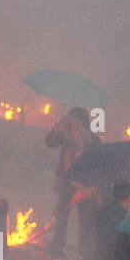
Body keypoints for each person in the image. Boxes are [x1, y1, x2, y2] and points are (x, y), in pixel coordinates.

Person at [45, 108, 96, 252]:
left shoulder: (93, 141)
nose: (71, 124)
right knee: (61, 218)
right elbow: (49, 142)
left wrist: (90, 188)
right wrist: (55, 130)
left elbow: (98, 164)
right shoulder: (66, 137)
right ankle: (57, 248)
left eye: (74, 121)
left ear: (81, 123)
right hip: (67, 185)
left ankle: (84, 254)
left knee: (85, 222)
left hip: (84, 187)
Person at [90, 181, 130, 260]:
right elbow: (124, 242)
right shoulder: (123, 217)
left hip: (101, 259)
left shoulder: (102, 212)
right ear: (129, 197)